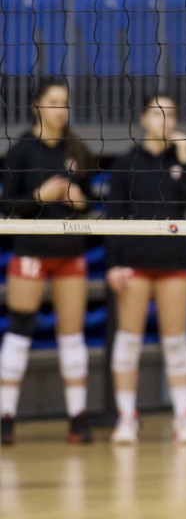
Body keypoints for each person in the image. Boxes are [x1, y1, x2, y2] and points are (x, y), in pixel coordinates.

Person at [0, 76, 95, 445]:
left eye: (64, 102)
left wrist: (78, 200)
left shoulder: (77, 149)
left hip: (69, 252)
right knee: (19, 329)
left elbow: (89, 204)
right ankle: (5, 417)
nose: (61, 110)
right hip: (31, 250)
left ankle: (78, 418)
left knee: (72, 335)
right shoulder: (21, 151)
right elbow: (8, 207)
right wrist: (39, 195)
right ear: (36, 106)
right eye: (54, 102)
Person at [106, 93, 186, 444]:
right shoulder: (126, 163)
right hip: (134, 262)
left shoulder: (181, 159)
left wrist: (185, 157)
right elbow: (113, 216)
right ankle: (126, 418)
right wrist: (114, 263)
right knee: (128, 342)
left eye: (171, 114)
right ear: (143, 119)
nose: (165, 120)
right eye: (158, 113)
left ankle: (183, 417)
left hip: (173, 261)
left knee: (176, 342)